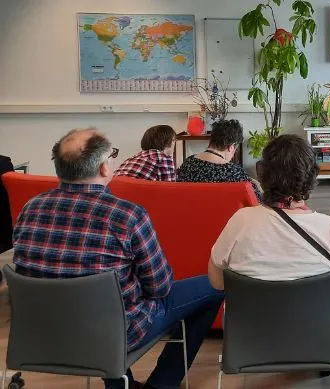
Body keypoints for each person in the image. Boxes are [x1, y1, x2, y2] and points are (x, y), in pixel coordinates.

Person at [12, 128, 224, 389]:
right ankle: (162, 383)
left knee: (104, 304)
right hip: (114, 334)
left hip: (43, 334)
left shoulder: (29, 208)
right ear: (104, 167)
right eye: (112, 155)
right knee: (215, 286)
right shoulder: (127, 215)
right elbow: (160, 287)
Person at [208, 134, 330, 389]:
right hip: (321, 341)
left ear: (263, 174)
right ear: (312, 177)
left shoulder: (240, 221)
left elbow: (216, 282)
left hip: (251, 342)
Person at [176, 119, 262, 200]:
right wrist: (257, 185)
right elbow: (257, 201)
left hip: (191, 210)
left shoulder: (188, 163)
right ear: (231, 147)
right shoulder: (236, 173)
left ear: (211, 140)